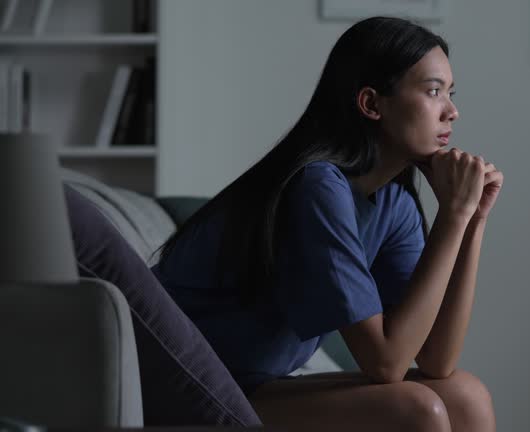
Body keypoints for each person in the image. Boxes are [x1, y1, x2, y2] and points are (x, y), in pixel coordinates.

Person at [153, 16, 502, 432]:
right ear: (372, 104)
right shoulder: (316, 186)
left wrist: (472, 219)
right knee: (416, 410)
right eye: (433, 92)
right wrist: (453, 215)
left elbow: (435, 359)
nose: (452, 111)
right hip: (182, 391)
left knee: (466, 394)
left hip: (252, 385)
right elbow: (385, 363)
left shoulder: (394, 200)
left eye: (450, 93)